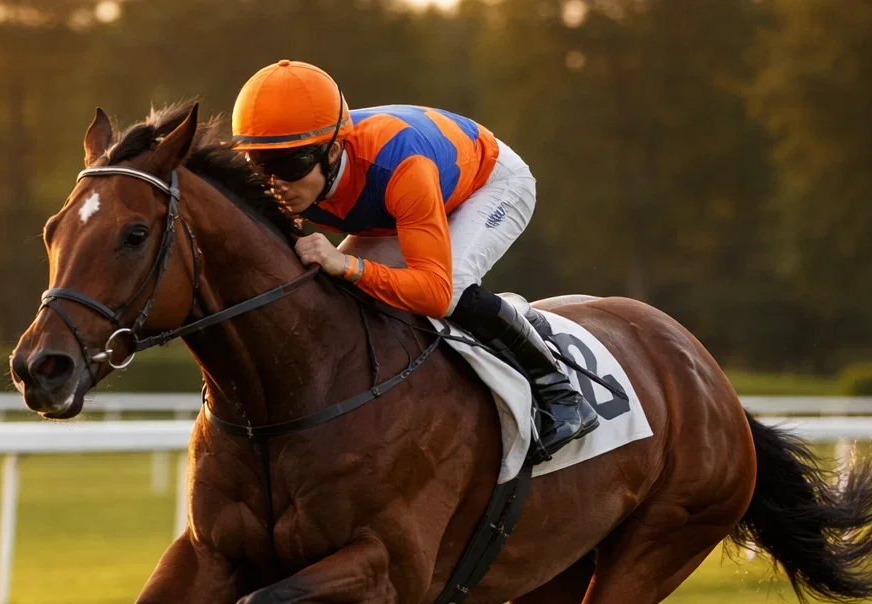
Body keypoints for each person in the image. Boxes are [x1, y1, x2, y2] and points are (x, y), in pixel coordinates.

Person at [230, 59, 598, 457]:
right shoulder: (284, 180)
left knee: (451, 287)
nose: (275, 183)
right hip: (401, 204)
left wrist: (350, 265)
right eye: (261, 165)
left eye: (290, 165)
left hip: (487, 184)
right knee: (332, 289)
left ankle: (559, 392)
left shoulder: (400, 166)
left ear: (333, 151)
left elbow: (435, 294)